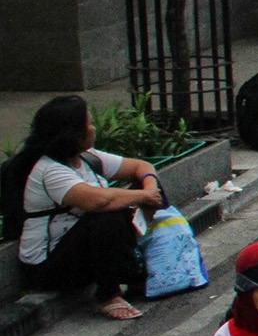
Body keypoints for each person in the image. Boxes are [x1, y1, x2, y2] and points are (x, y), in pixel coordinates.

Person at [1, 96, 158, 320]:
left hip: (80, 252)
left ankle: (134, 274)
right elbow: (97, 201)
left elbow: (140, 166)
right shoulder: (49, 170)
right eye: (89, 124)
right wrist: (143, 195)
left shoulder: (86, 158)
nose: (93, 128)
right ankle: (108, 295)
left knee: (125, 201)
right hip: (48, 268)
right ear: (73, 133)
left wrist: (151, 189)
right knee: (109, 214)